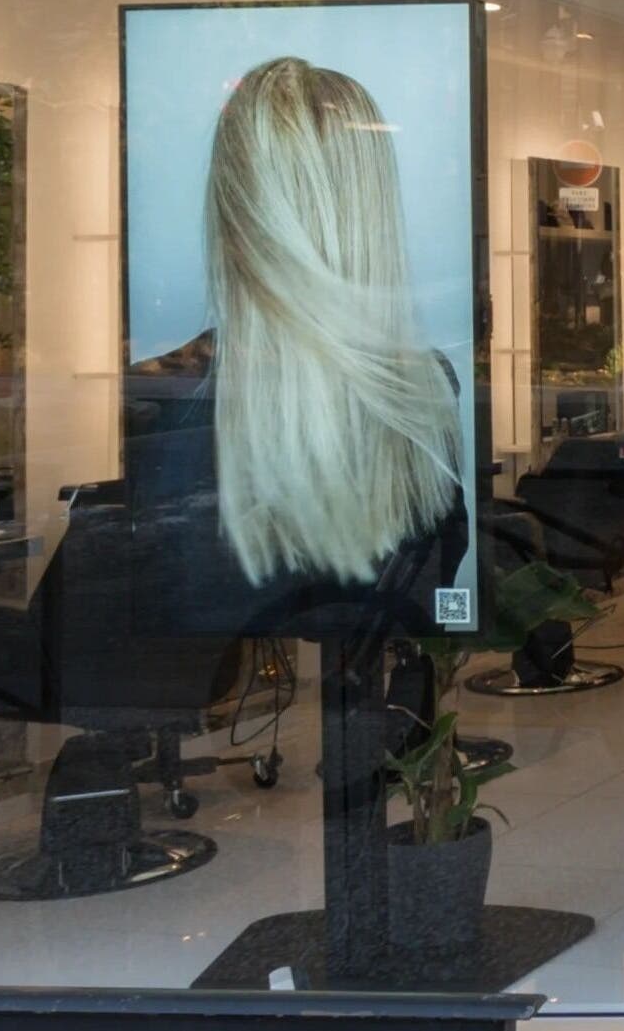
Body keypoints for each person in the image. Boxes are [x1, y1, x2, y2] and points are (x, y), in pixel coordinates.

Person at [126, 56, 470, 640]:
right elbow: (433, 595)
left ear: (233, 206)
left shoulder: (160, 397)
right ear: (374, 209)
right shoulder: (424, 388)